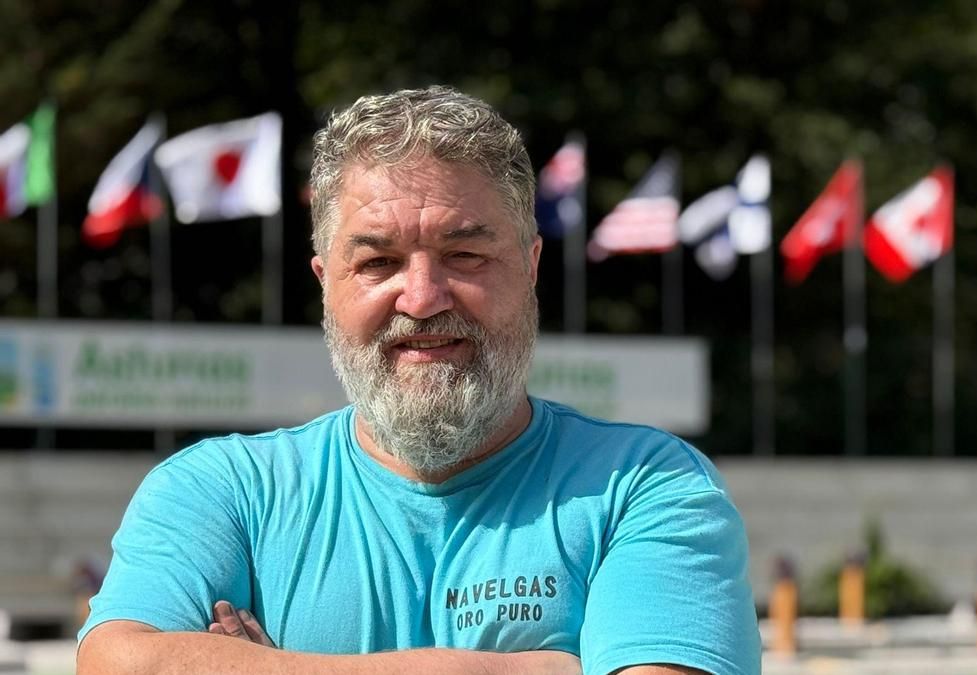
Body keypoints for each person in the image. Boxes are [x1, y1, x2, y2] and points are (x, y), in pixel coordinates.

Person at [76, 86, 760, 675]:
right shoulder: (222, 491)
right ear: (326, 284)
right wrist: (543, 666)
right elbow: (117, 662)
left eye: (465, 254)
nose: (423, 297)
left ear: (530, 268)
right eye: (378, 263)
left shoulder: (645, 486)